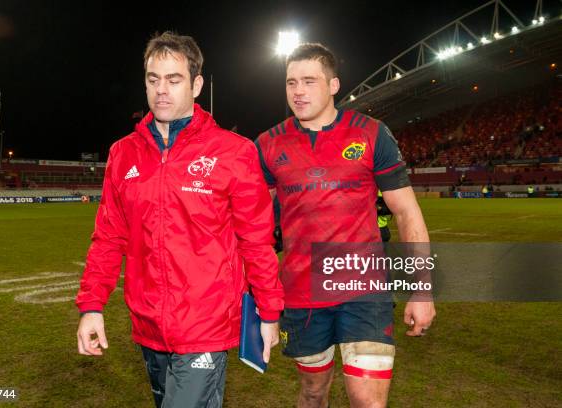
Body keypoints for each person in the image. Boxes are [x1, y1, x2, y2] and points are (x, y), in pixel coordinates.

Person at [75, 32, 283, 408]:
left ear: (197, 84)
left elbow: (256, 241)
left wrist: (269, 312)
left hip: (207, 325)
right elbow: (107, 238)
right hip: (148, 324)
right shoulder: (123, 154)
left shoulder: (234, 152)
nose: (162, 91)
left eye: (174, 80)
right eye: (153, 80)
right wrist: (92, 305)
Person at [255, 43, 436, 408]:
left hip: (363, 289)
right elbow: (252, 222)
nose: (298, 92)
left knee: (367, 401)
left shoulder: (371, 133)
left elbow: (407, 212)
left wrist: (422, 290)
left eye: (309, 81)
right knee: (313, 393)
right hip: (302, 293)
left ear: (334, 85)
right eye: (291, 83)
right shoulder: (268, 145)